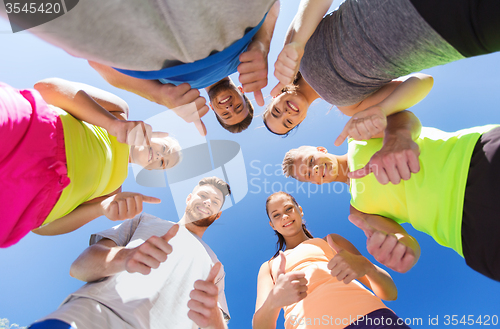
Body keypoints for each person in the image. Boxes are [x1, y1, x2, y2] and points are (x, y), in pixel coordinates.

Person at [281, 111, 500, 282]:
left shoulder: (358, 138)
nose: (315, 170)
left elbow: (405, 117)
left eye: (311, 161)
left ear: (321, 149)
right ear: (314, 183)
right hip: (468, 233)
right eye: (309, 175)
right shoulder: (358, 210)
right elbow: (405, 240)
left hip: (476, 159)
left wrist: (398, 136)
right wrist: (402, 250)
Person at [6, 0, 281, 135]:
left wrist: (158, 96)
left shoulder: (175, 93)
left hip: (130, 41)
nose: (229, 106)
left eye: (225, 114)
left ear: (214, 111)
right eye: (238, 107)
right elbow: (273, 4)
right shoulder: (250, 60)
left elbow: (99, 64)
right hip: (221, 19)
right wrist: (262, 45)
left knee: (31, 13)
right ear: (243, 94)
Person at [265, 0, 499, 139]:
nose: (286, 113)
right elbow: (423, 81)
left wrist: (296, 43)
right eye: (288, 122)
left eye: (276, 112)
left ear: (276, 97)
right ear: (301, 120)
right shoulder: (349, 108)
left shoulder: (293, 51)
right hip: (448, 37)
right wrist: (383, 110)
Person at [29, 177, 231, 329]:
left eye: (215, 202)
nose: (207, 202)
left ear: (218, 214)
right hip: (91, 316)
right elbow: (78, 268)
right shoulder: (145, 220)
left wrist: (214, 319)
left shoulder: (216, 266)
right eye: (203, 195)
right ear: (188, 198)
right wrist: (125, 257)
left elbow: (217, 322)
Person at [1, 78, 181, 247]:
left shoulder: (113, 193)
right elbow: (47, 88)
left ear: (150, 169)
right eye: (164, 149)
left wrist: (101, 209)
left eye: (163, 163)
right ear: (156, 134)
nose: (160, 156)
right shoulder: (119, 112)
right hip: (27, 130)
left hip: (19, 198)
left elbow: (43, 228)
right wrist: (112, 124)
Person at [254, 191, 410, 329]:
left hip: (372, 318)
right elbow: (260, 326)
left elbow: (391, 293)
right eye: (276, 215)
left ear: (299, 210)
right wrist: (274, 300)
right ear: (272, 225)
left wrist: (367, 266)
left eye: (288, 209)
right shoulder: (269, 267)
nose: (285, 216)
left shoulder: (331, 241)